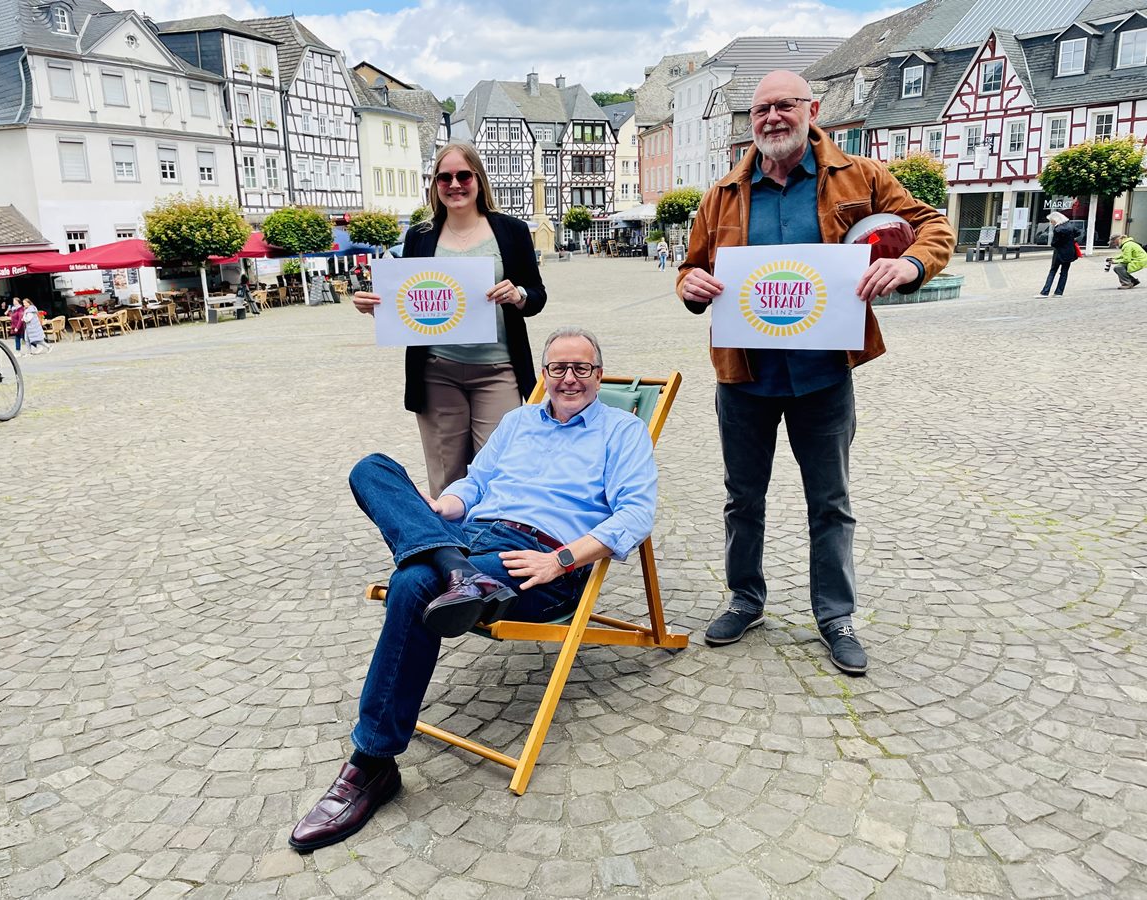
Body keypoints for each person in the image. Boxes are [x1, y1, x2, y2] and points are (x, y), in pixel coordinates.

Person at [289, 327, 656, 851]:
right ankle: (451, 563)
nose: (569, 378)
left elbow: (636, 514)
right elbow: (474, 485)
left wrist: (560, 560)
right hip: (469, 536)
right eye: (558, 368)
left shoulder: (622, 431)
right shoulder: (518, 420)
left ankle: (371, 765)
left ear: (598, 374)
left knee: (413, 583)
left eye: (582, 368)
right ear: (543, 374)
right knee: (372, 468)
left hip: (533, 558)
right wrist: (443, 508)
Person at [676, 70, 955, 675]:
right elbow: (691, 270)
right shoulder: (723, 191)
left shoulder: (859, 176)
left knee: (830, 501)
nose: (772, 118)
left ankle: (836, 616)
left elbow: (934, 227)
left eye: (784, 106)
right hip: (743, 376)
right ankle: (745, 598)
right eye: (760, 110)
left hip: (824, 373)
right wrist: (689, 285)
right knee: (741, 498)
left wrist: (909, 265)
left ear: (811, 109)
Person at [352, 142, 547, 496]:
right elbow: (412, 298)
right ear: (435, 184)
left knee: (497, 471)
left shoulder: (511, 231)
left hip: (499, 370)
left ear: (478, 179)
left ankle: (490, 547)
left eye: (463, 175)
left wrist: (518, 295)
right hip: (436, 372)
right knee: (446, 475)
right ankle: (449, 550)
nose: (454, 184)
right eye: (445, 177)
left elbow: (537, 295)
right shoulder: (420, 236)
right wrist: (378, 306)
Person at [1040, 211, 1081, 297]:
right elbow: (1078, 232)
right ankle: (1059, 292)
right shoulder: (1070, 226)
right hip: (1069, 252)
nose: (1051, 223)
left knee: (1053, 271)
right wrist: (1072, 240)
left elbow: (1054, 243)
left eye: (1052, 221)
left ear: (1056, 220)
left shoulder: (1058, 229)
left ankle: (1045, 291)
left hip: (1059, 252)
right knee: (1064, 272)